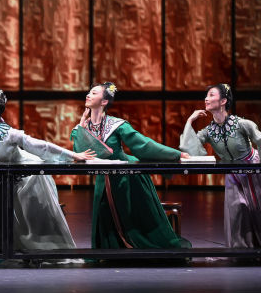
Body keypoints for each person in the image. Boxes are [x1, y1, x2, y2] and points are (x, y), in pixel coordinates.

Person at [0, 88, 93, 251]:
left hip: (27, 175)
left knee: (27, 213)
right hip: (4, 178)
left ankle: (38, 247)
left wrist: (73, 155)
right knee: (1, 209)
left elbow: (41, 146)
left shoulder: (10, 134)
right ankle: (6, 249)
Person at [71, 81, 190, 249]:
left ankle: (134, 248)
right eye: (89, 92)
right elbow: (79, 154)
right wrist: (81, 126)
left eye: (94, 93)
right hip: (103, 178)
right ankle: (110, 251)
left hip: (127, 176)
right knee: (105, 213)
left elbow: (143, 145)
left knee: (130, 218)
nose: (88, 95)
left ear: (104, 101)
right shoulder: (85, 126)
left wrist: (175, 154)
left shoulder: (116, 124)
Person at [180, 83, 261, 248]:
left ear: (223, 101)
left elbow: (259, 139)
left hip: (253, 169)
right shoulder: (209, 131)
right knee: (236, 212)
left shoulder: (242, 124)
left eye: (211, 95)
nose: (206, 99)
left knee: (257, 209)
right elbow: (189, 148)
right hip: (232, 173)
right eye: (206, 95)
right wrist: (190, 120)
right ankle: (241, 251)